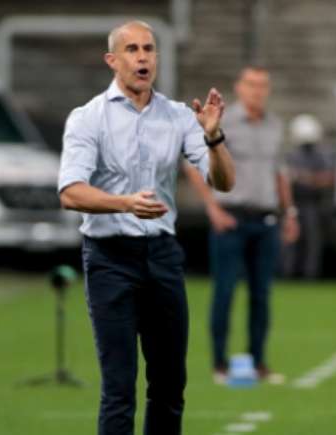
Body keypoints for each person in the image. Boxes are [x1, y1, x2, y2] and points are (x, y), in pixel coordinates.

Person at [58, 20, 235, 435]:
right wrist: (124, 203)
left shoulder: (177, 116)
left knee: (170, 385)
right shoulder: (88, 118)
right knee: (119, 388)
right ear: (112, 60)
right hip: (109, 260)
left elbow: (224, 182)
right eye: (133, 49)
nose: (143, 57)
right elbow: (70, 192)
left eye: (149, 49)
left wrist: (213, 137)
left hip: (162, 258)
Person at [183, 66, 298, 385]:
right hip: (231, 218)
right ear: (239, 87)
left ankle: (259, 362)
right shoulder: (224, 121)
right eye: (251, 84)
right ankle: (219, 364)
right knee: (225, 292)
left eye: (262, 85)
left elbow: (280, 172)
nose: (257, 90)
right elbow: (194, 164)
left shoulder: (275, 125)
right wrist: (212, 209)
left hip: (265, 218)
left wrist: (290, 212)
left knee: (262, 294)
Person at [284, 114, 336, 279]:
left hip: (312, 203)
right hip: (293, 203)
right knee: (290, 240)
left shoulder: (321, 155)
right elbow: (286, 177)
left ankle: (309, 275)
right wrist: (310, 178)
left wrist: (304, 177)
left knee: (312, 240)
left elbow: (327, 179)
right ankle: (287, 273)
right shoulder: (292, 155)